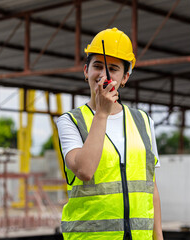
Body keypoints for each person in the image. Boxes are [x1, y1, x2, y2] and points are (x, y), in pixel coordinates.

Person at [56, 27, 163, 240]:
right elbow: (85, 170)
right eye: (97, 66)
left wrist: (158, 236)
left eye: (113, 69)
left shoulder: (143, 121)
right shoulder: (70, 122)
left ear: (125, 77)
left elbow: (151, 187)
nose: (104, 75)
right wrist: (102, 114)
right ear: (86, 71)